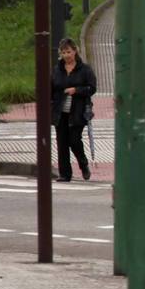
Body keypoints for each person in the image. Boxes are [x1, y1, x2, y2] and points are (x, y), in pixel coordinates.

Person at [51, 38, 95, 182]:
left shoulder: (85, 70)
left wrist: (76, 90)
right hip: (61, 112)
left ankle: (83, 164)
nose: (66, 55)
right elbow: (51, 88)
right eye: (63, 52)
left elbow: (92, 88)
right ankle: (65, 174)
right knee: (62, 142)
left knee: (74, 140)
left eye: (69, 52)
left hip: (78, 111)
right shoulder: (57, 70)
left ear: (75, 51)